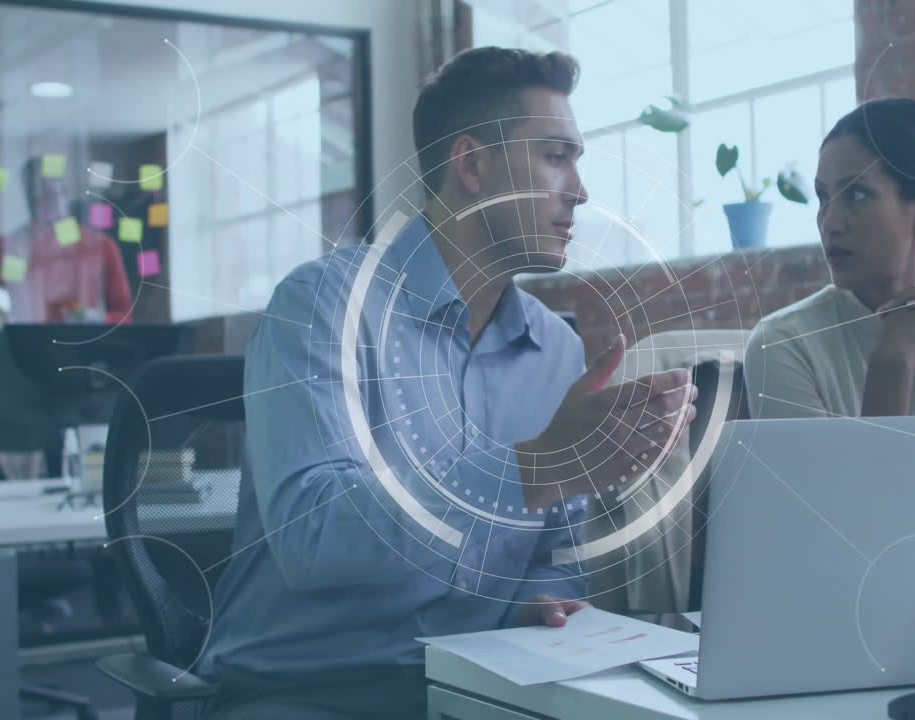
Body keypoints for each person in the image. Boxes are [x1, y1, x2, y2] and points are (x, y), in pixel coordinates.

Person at [200, 46, 697, 720]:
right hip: (310, 689)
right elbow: (312, 539)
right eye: (555, 156)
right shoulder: (322, 307)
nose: (578, 189)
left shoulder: (554, 347)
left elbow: (558, 549)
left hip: (479, 685)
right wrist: (531, 467)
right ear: (471, 165)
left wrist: (541, 595)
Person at [743, 97, 915, 418]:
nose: (830, 223)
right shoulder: (783, 343)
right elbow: (858, 472)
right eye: (824, 197)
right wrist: (891, 363)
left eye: (857, 194)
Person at [0, 155, 132, 324]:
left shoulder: (100, 247)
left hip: (85, 346)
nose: (47, 203)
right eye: (37, 196)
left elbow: (123, 315)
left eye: (53, 193)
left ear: (65, 194)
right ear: (27, 198)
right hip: (23, 346)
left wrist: (95, 320)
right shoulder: (5, 248)